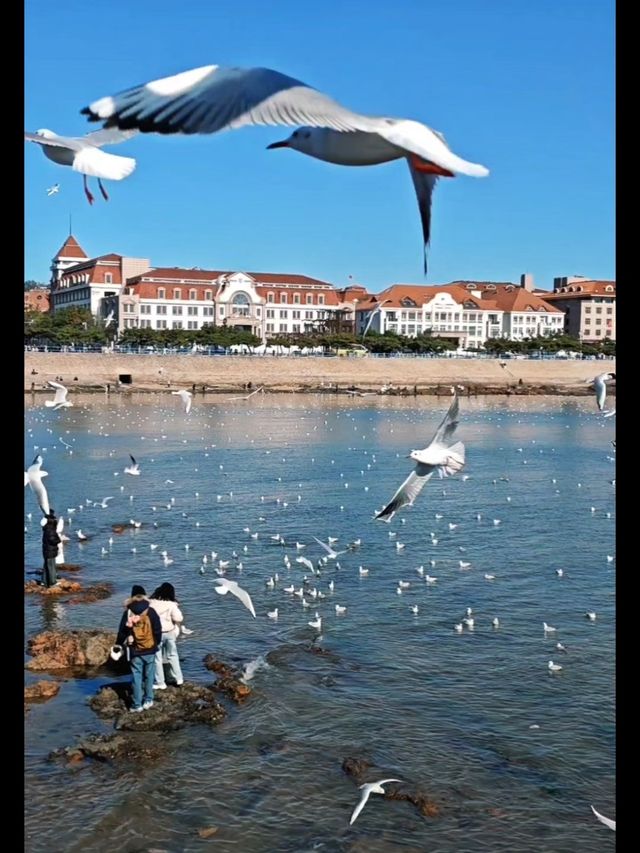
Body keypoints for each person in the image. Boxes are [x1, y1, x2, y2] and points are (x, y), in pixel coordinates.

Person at [116, 591, 162, 712]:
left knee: (136, 676)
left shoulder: (128, 613)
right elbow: (157, 630)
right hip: (150, 648)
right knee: (149, 675)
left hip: (135, 650)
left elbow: (122, 632)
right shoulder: (151, 612)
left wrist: (118, 644)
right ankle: (148, 699)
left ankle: (137, 705)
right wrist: (156, 643)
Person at [149, 583, 185, 690]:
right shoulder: (171, 605)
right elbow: (179, 618)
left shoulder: (151, 604)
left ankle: (160, 682)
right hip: (169, 633)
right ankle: (179, 678)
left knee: (157, 658)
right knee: (173, 655)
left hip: (156, 634)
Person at [41, 511, 61, 588]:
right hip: (50, 551)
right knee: (51, 566)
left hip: (46, 550)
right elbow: (53, 540)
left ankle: (44, 581)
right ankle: (52, 582)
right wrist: (58, 540)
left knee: (46, 565)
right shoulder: (51, 530)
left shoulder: (46, 529)